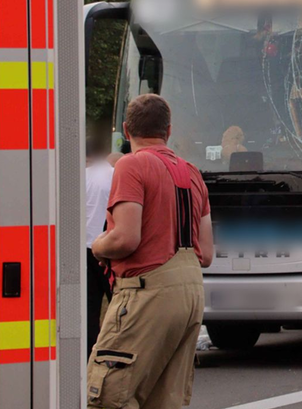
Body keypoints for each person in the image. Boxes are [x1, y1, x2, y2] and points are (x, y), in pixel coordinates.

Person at [87, 94, 214, 409]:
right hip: (190, 292)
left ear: (126, 130)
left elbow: (126, 239)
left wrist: (99, 245)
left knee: (109, 394)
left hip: (149, 291)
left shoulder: (132, 164)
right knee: (164, 399)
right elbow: (207, 253)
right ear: (168, 131)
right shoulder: (192, 173)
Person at [84, 138, 115, 355]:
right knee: (119, 305)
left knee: (89, 311)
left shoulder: (79, 177)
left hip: (85, 250)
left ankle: (88, 358)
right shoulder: (112, 174)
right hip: (109, 249)